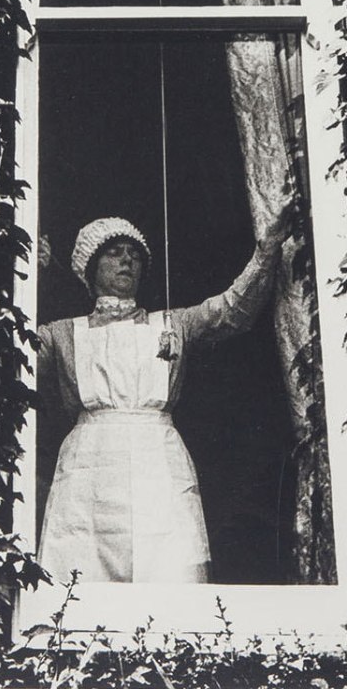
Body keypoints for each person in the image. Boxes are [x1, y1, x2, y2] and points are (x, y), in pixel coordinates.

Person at [36, 211, 289, 584]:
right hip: (87, 473)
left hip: (158, 462)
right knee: (80, 582)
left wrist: (265, 253)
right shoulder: (60, 335)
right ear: (89, 268)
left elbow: (233, 310)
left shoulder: (172, 325)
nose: (126, 261)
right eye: (114, 253)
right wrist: (29, 275)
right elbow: (9, 357)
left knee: (170, 572)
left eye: (134, 255)